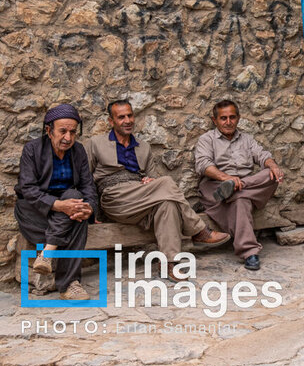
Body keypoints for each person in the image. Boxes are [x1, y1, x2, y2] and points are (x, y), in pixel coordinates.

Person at [85, 100, 231, 281]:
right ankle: (199, 231)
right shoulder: (96, 143)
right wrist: (93, 211)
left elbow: (153, 178)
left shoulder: (143, 147)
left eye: (130, 115)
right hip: (115, 198)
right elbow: (86, 178)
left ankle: (169, 263)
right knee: (167, 182)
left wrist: (150, 181)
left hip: (142, 198)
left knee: (168, 203)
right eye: (121, 117)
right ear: (111, 121)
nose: (127, 120)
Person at [14, 104, 99, 300]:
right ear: (48, 131)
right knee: (73, 212)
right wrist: (59, 205)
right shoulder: (32, 149)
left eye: (72, 132)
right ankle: (70, 284)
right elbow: (28, 189)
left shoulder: (78, 151)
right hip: (35, 211)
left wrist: (89, 209)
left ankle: (48, 252)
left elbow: (88, 187)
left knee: (76, 208)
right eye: (62, 131)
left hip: (67, 210)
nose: (68, 138)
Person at [194, 100, 284, 270]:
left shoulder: (247, 139)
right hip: (216, 186)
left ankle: (237, 188)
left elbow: (262, 155)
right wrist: (225, 178)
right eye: (223, 118)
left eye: (232, 117)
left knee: (270, 176)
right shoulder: (207, 139)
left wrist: (272, 165)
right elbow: (203, 165)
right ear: (215, 120)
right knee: (242, 201)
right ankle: (250, 252)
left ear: (238, 118)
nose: (228, 122)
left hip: (243, 186)